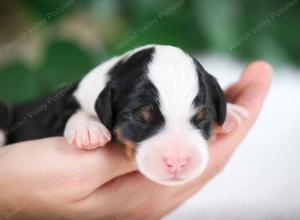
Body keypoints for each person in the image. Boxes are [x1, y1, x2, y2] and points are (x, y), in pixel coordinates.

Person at [0, 61, 272, 220]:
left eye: (199, 118)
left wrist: (217, 112)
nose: (176, 159)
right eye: (143, 120)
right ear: (107, 105)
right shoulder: (88, 97)